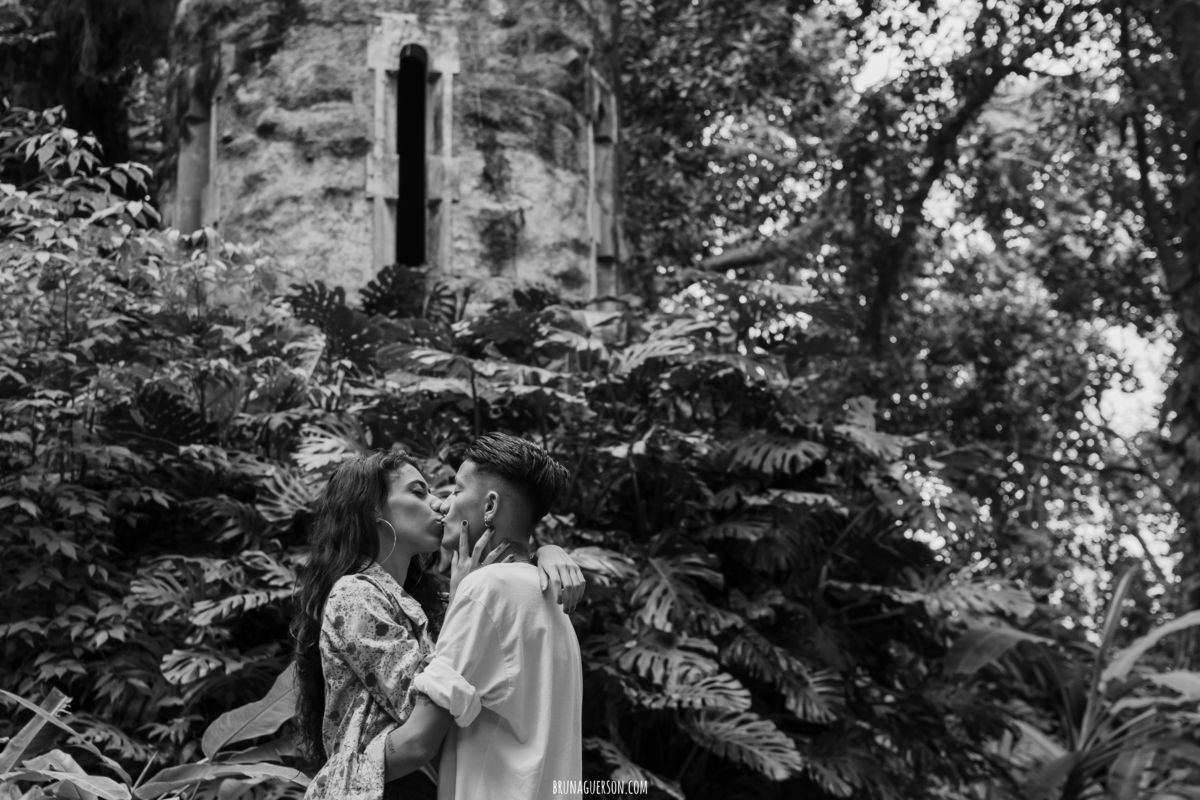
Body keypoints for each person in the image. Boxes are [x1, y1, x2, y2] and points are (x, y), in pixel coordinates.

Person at [291, 449, 584, 800]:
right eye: (418, 492)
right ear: (373, 509)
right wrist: (467, 595)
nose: (440, 504)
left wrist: (545, 552)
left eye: (448, 492)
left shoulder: (433, 601)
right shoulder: (354, 595)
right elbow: (421, 709)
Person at [379, 433, 584, 800]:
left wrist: (336, 773)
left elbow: (417, 742)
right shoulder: (553, 602)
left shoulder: (487, 590)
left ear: (490, 506)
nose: (444, 503)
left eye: (457, 490)